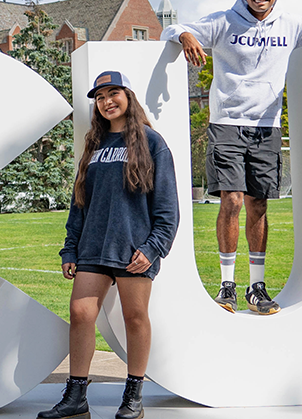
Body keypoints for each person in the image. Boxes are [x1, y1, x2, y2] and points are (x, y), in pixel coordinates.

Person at [161, 0, 302, 315]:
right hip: (227, 124)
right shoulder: (223, 21)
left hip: (267, 128)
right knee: (231, 201)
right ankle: (227, 286)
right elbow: (170, 31)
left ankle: (257, 287)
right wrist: (186, 35)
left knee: (258, 205)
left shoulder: (292, 25)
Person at [40, 71, 178, 419]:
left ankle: (133, 395)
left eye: (113, 93)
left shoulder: (152, 142)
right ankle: (76, 396)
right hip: (93, 248)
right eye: (100, 97)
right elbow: (79, 202)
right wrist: (70, 248)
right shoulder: (95, 146)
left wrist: (152, 248)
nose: (106, 101)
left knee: (135, 317)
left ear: (128, 96)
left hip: (134, 250)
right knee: (81, 313)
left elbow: (167, 207)